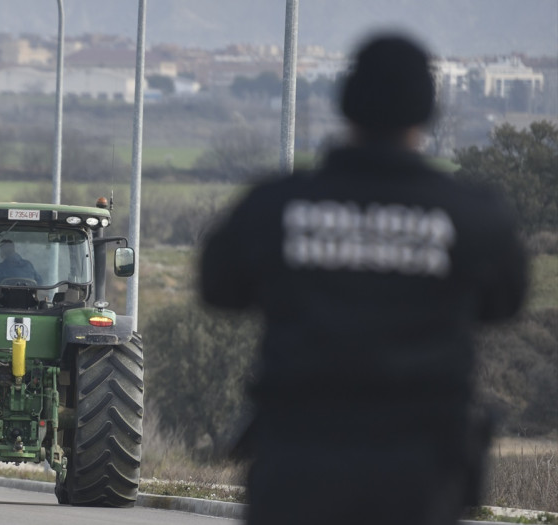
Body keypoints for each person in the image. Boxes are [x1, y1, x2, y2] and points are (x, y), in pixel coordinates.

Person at [198, 34, 527, 525]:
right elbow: (506, 302)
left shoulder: (275, 207)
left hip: (297, 466)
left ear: (346, 103)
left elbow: (218, 289)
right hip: (420, 479)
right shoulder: (473, 216)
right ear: (428, 110)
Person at [0, 240, 43, 307]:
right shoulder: (28, 265)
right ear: (14, 249)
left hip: (5, 306)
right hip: (29, 305)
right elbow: (40, 282)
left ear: (2, 252)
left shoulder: (1, 268)